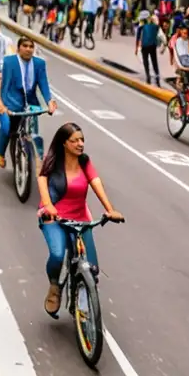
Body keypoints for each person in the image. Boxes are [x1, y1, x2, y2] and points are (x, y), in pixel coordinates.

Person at [36, 123, 123, 316]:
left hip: (80, 218)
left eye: (82, 139)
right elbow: (42, 179)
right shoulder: (52, 162)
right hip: (55, 218)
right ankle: (54, 286)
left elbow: (96, 182)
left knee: (92, 269)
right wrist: (48, 205)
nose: (80, 144)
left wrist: (110, 210)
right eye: (74, 140)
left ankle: (83, 307)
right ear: (64, 144)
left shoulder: (85, 162)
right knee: (58, 256)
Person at [0, 37, 57, 168]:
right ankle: (0, 153)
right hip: (10, 103)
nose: (28, 49)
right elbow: (4, 86)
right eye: (25, 46)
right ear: (19, 48)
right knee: (6, 128)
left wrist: (49, 101)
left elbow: (43, 84)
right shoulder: (9, 62)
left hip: (31, 104)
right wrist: (2, 106)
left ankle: (36, 160)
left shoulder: (39, 64)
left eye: (31, 47)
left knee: (34, 133)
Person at [135, 11, 161, 85]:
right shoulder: (154, 24)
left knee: (145, 61)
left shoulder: (142, 25)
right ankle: (157, 77)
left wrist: (136, 48)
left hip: (145, 45)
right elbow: (158, 30)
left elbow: (138, 37)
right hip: (153, 45)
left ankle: (148, 76)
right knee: (154, 61)